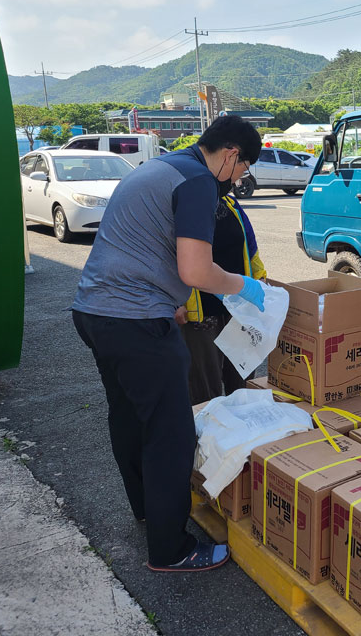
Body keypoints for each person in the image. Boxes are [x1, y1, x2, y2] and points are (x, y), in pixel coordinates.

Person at [71, 115, 265, 572]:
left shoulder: (163, 167)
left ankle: (146, 508)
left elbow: (140, 244)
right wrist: (244, 286)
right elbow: (196, 271)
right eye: (242, 170)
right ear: (232, 154)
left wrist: (168, 300)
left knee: (129, 417)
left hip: (96, 311)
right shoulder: (198, 180)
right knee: (171, 432)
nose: (239, 180)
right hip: (136, 322)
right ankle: (170, 548)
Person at [176, 191, 267, 405]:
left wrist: (260, 275)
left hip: (238, 307)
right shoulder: (184, 206)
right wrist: (174, 300)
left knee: (242, 378)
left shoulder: (231, 204)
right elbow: (169, 254)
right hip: (201, 311)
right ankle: (207, 435)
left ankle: (243, 431)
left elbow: (249, 244)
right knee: (205, 389)